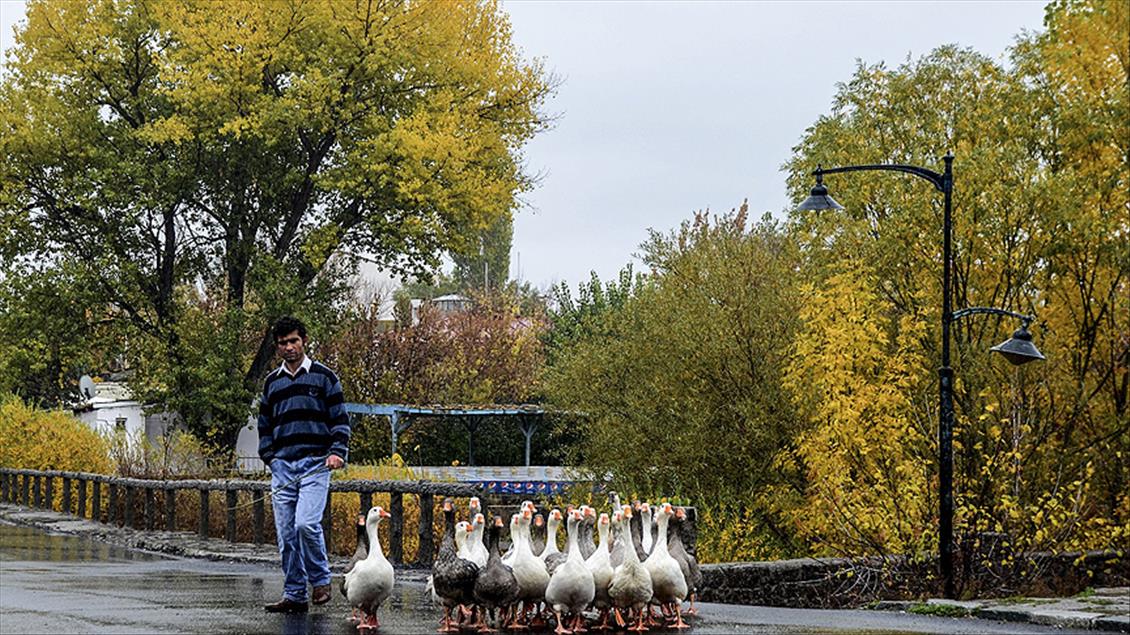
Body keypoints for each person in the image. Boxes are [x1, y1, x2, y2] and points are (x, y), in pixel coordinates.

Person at [258, 316, 350, 613]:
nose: (289, 347)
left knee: (305, 524)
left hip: (315, 464)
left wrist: (338, 451)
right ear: (277, 346)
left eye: (293, 341)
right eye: (283, 343)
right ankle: (295, 594)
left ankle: (320, 581)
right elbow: (264, 425)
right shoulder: (272, 382)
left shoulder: (325, 377)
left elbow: (340, 420)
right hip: (283, 465)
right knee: (286, 534)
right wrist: (269, 456)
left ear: (304, 341)